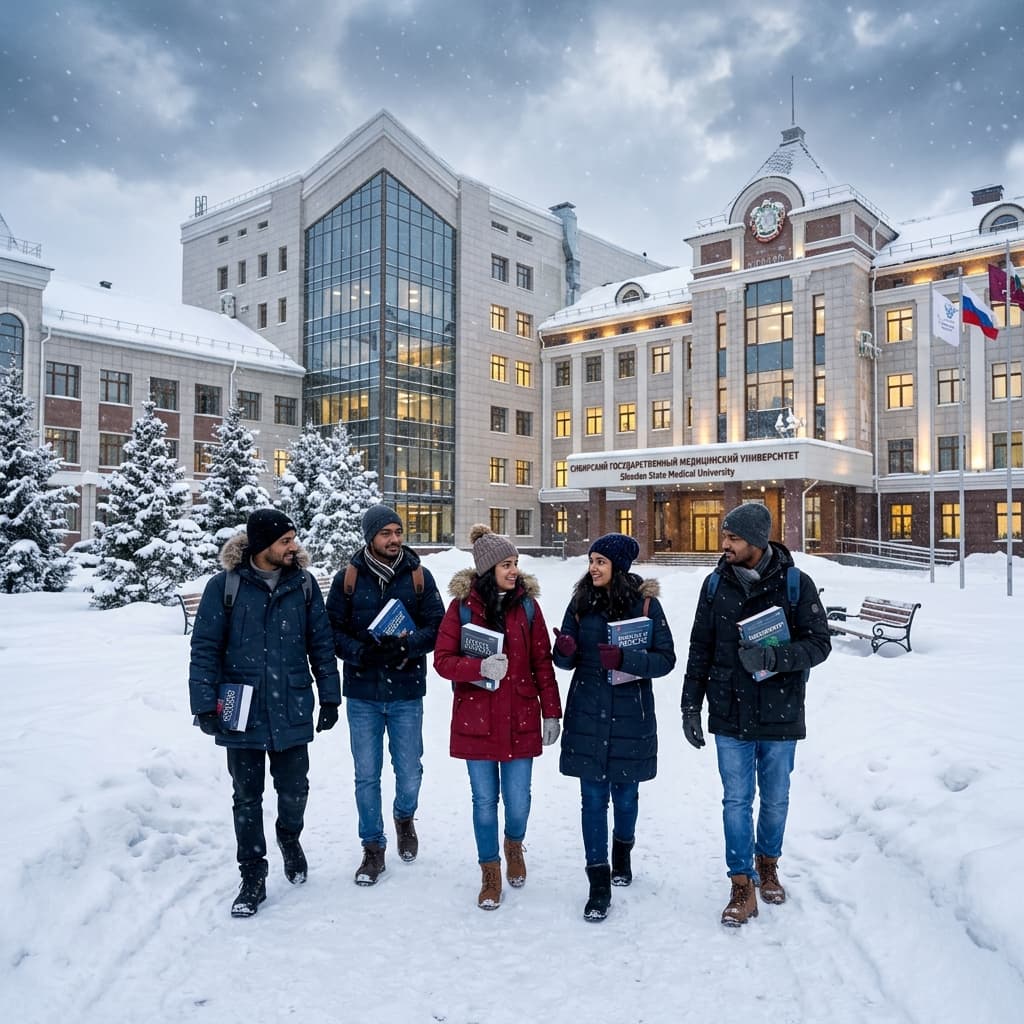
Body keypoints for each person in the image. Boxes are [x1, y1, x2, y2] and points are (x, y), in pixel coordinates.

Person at [681, 502, 831, 926]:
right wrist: (690, 704)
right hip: (729, 710)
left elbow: (819, 644)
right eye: (725, 536)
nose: (723, 544)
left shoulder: (797, 584)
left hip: (780, 712)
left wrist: (774, 656)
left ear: (757, 542)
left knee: (777, 798)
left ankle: (768, 862)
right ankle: (741, 882)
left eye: (733, 538)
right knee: (736, 800)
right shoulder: (714, 586)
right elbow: (700, 649)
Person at [188, 508, 341, 918]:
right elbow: (205, 648)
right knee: (246, 798)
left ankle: (289, 838)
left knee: (295, 791)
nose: (294, 547)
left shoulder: (304, 586)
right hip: (243, 710)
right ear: (262, 547)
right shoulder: (225, 587)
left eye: (293, 539)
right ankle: (253, 872)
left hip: (291, 704)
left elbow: (321, 646)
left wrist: (330, 697)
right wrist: (203, 703)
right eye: (285, 541)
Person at [433, 525, 562, 910]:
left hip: (521, 715)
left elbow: (542, 662)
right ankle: (490, 870)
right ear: (489, 569)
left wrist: (551, 712)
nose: (514, 571)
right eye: (507, 564)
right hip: (478, 719)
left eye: (516, 563)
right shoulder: (462, 608)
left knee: (518, 799)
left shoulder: (527, 607)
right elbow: (442, 661)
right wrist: (477, 668)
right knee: (484, 800)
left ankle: (514, 844)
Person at [552, 533, 676, 922]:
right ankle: (598, 884)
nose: (593, 568)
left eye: (601, 562)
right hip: (588, 711)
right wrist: (566, 652)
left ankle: (623, 850)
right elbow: (563, 659)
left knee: (625, 798)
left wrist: (627, 659)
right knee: (592, 801)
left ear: (618, 567)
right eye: (591, 560)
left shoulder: (645, 605)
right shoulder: (580, 602)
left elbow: (666, 659)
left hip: (630, 715)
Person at [326, 504, 444, 885]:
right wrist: (363, 651)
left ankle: (404, 815)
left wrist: (407, 647)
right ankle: (373, 847)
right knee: (366, 774)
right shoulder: (347, 579)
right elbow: (332, 631)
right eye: (385, 534)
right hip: (362, 692)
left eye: (398, 532)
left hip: (407, 690)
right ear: (370, 538)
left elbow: (438, 627)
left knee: (409, 770)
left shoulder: (419, 577)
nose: (394, 540)